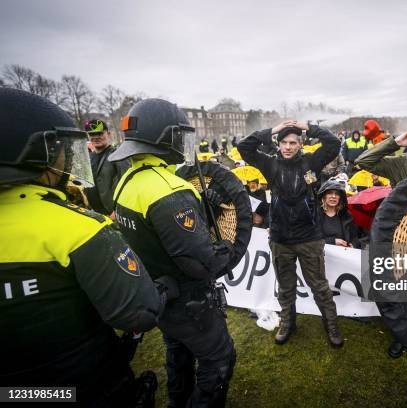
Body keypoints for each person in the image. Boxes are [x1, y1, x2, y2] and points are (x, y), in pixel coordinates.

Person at [0, 88, 165, 407]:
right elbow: (141, 313)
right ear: (37, 154)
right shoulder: (79, 229)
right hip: (81, 387)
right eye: (62, 149)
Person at [108, 98, 236, 407]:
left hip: (160, 292)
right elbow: (199, 262)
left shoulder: (127, 180)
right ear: (165, 138)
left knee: (177, 350)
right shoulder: (169, 190)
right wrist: (226, 249)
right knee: (219, 359)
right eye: (180, 136)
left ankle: (177, 400)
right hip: (191, 300)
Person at [238, 120, 344, 347]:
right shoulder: (270, 164)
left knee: (319, 286)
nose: (287, 147)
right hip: (280, 239)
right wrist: (272, 130)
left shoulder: (311, 162)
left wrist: (308, 126)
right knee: (285, 288)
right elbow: (244, 148)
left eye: (293, 142)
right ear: (278, 144)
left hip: (309, 238)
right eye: (284, 142)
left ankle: (331, 326)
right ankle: (288, 323)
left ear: (300, 143)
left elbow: (334, 143)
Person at [82, 118, 130, 216]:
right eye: (92, 134)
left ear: (108, 134)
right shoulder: (89, 158)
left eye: (100, 133)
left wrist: (118, 211)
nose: (96, 137)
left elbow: (128, 185)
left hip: (114, 215)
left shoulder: (118, 155)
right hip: (96, 214)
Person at [317, 179, 360, 249]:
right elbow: (310, 240)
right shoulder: (315, 215)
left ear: (340, 197)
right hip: (321, 256)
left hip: (343, 256)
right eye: (330, 193)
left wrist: (353, 245)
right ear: (324, 196)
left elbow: (355, 238)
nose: (333, 196)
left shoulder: (346, 215)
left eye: (337, 194)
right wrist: (333, 241)